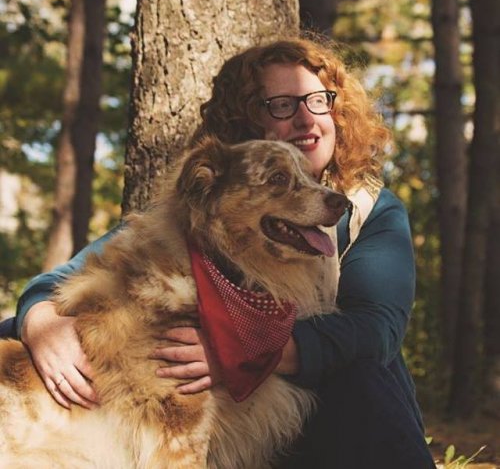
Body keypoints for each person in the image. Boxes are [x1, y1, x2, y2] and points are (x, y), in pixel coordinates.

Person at [1, 37, 435, 468]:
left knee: (361, 376)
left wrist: (241, 351)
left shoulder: (370, 208)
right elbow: (68, 276)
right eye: (282, 105)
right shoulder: (204, 204)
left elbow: (376, 329)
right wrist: (40, 323)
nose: (306, 118)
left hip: (335, 420)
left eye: (318, 100)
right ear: (249, 123)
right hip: (244, 430)